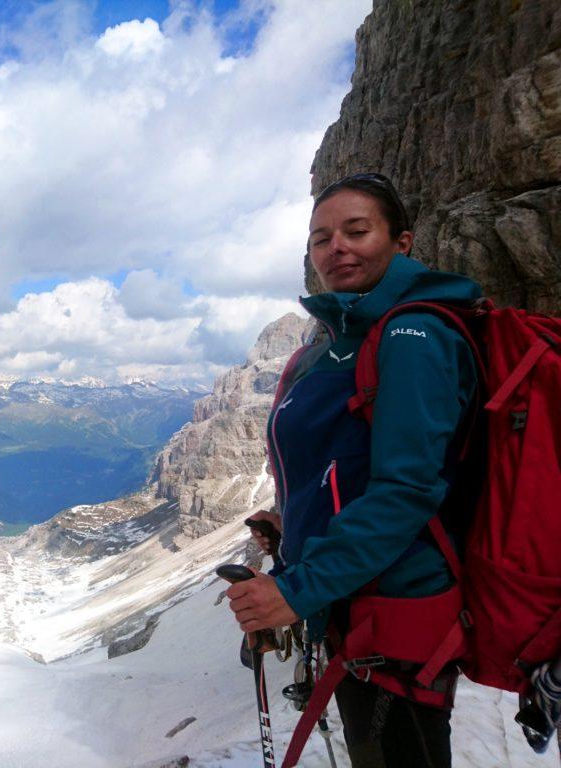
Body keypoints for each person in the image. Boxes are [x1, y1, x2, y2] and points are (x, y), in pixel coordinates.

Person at [226, 172, 482, 767]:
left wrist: (294, 590)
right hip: (347, 601)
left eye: (357, 230)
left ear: (403, 243)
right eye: (320, 238)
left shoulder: (414, 334)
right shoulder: (328, 344)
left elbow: (408, 489)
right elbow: (341, 469)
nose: (335, 247)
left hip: (395, 612)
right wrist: (290, 527)